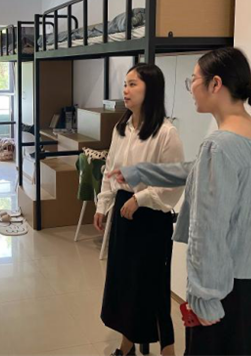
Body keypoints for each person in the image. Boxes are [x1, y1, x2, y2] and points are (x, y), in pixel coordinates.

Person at [109, 47, 251, 356]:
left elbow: (207, 231)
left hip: (220, 284)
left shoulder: (218, 145)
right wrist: (140, 171)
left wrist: (203, 297)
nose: (191, 88)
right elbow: (195, 169)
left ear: (215, 84)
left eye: (194, 79)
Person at [94, 63, 185, 356]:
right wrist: (103, 204)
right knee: (125, 284)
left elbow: (174, 182)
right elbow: (110, 169)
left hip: (151, 219)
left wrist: (141, 198)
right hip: (124, 213)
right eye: (125, 84)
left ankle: (168, 351)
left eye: (133, 84)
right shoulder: (121, 129)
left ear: (151, 90)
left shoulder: (166, 133)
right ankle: (127, 346)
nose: (126, 90)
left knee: (153, 287)